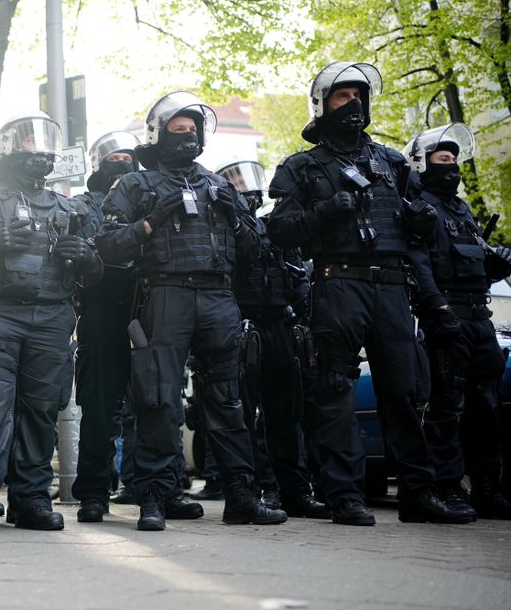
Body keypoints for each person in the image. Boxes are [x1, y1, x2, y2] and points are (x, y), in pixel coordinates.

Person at [266, 61, 472, 525]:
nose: (354, 103)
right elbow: (280, 231)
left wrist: (422, 223)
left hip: (393, 286)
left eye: (360, 95)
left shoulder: (393, 162)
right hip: (338, 283)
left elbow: (420, 223)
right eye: (343, 96)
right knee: (335, 389)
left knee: (403, 390)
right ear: (322, 105)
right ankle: (345, 496)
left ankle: (418, 494)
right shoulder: (303, 166)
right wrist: (325, 211)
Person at [96, 91, 287, 530]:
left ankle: (241, 495)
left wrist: (238, 219)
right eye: (177, 130)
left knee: (228, 399)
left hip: (218, 298)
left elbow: (256, 249)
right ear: (159, 135)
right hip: (164, 296)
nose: (186, 137)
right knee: (158, 397)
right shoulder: (134, 185)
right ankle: (155, 499)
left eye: (192, 131)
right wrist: (148, 224)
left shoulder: (219, 185)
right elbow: (105, 245)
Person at [0, 112, 103, 534]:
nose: (39, 149)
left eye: (46, 141)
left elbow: (96, 272)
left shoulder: (70, 206)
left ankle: (31, 500)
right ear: (10, 146)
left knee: (41, 409)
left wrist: (84, 255)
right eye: (30, 140)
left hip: (53, 316)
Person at [72, 131, 203, 523]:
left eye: (130, 155)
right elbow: (85, 255)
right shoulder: (82, 206)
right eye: (115, 156)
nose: (124, 161)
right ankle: (93, 493)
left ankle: (162, 488)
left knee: (160, 402)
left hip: (153, 306)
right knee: (98, 404)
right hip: (103, 309)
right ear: (98, 163)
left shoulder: (152, 191)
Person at [405, 123, 511, 519]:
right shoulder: (420, 211)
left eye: (454, 160)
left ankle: (486, 487)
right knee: (447, 408)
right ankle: (447, 487)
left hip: (480, 319)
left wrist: (496, 264)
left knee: (487, 406)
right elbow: (420, 265)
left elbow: (477, 263)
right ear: (423, 165)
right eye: (442, 160)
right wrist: (438, 311)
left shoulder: (462, 211)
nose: (451, 167)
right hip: (447, 318)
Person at [218, 158, 328, 518]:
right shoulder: (222, 227)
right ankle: (258, 490)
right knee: (244, 414)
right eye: (234, 179)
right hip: (242, 324)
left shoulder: (277, 226)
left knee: (285, 411)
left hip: (279, 325)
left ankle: (294, 490)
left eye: (246, 177)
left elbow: (298, 274)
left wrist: (304, 318)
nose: (245, 186)